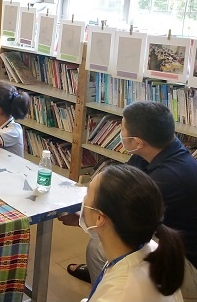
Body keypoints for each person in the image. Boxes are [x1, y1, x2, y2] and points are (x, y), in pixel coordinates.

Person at [64, 101, 197, 301]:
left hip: (189, 264)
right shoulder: (156, 149)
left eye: (122, 128)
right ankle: (103, 274)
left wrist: (83, 218)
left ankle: (108, 287)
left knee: (98, 247)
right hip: (169, 239)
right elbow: (120, 181)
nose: (120, 133)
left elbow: (119, 220)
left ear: (137, 142)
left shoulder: (165, 179)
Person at [78, 164, 185, 301]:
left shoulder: (118, 294)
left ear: (99, 217)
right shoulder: (152, 249)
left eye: (88, 193)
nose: (84, 199)